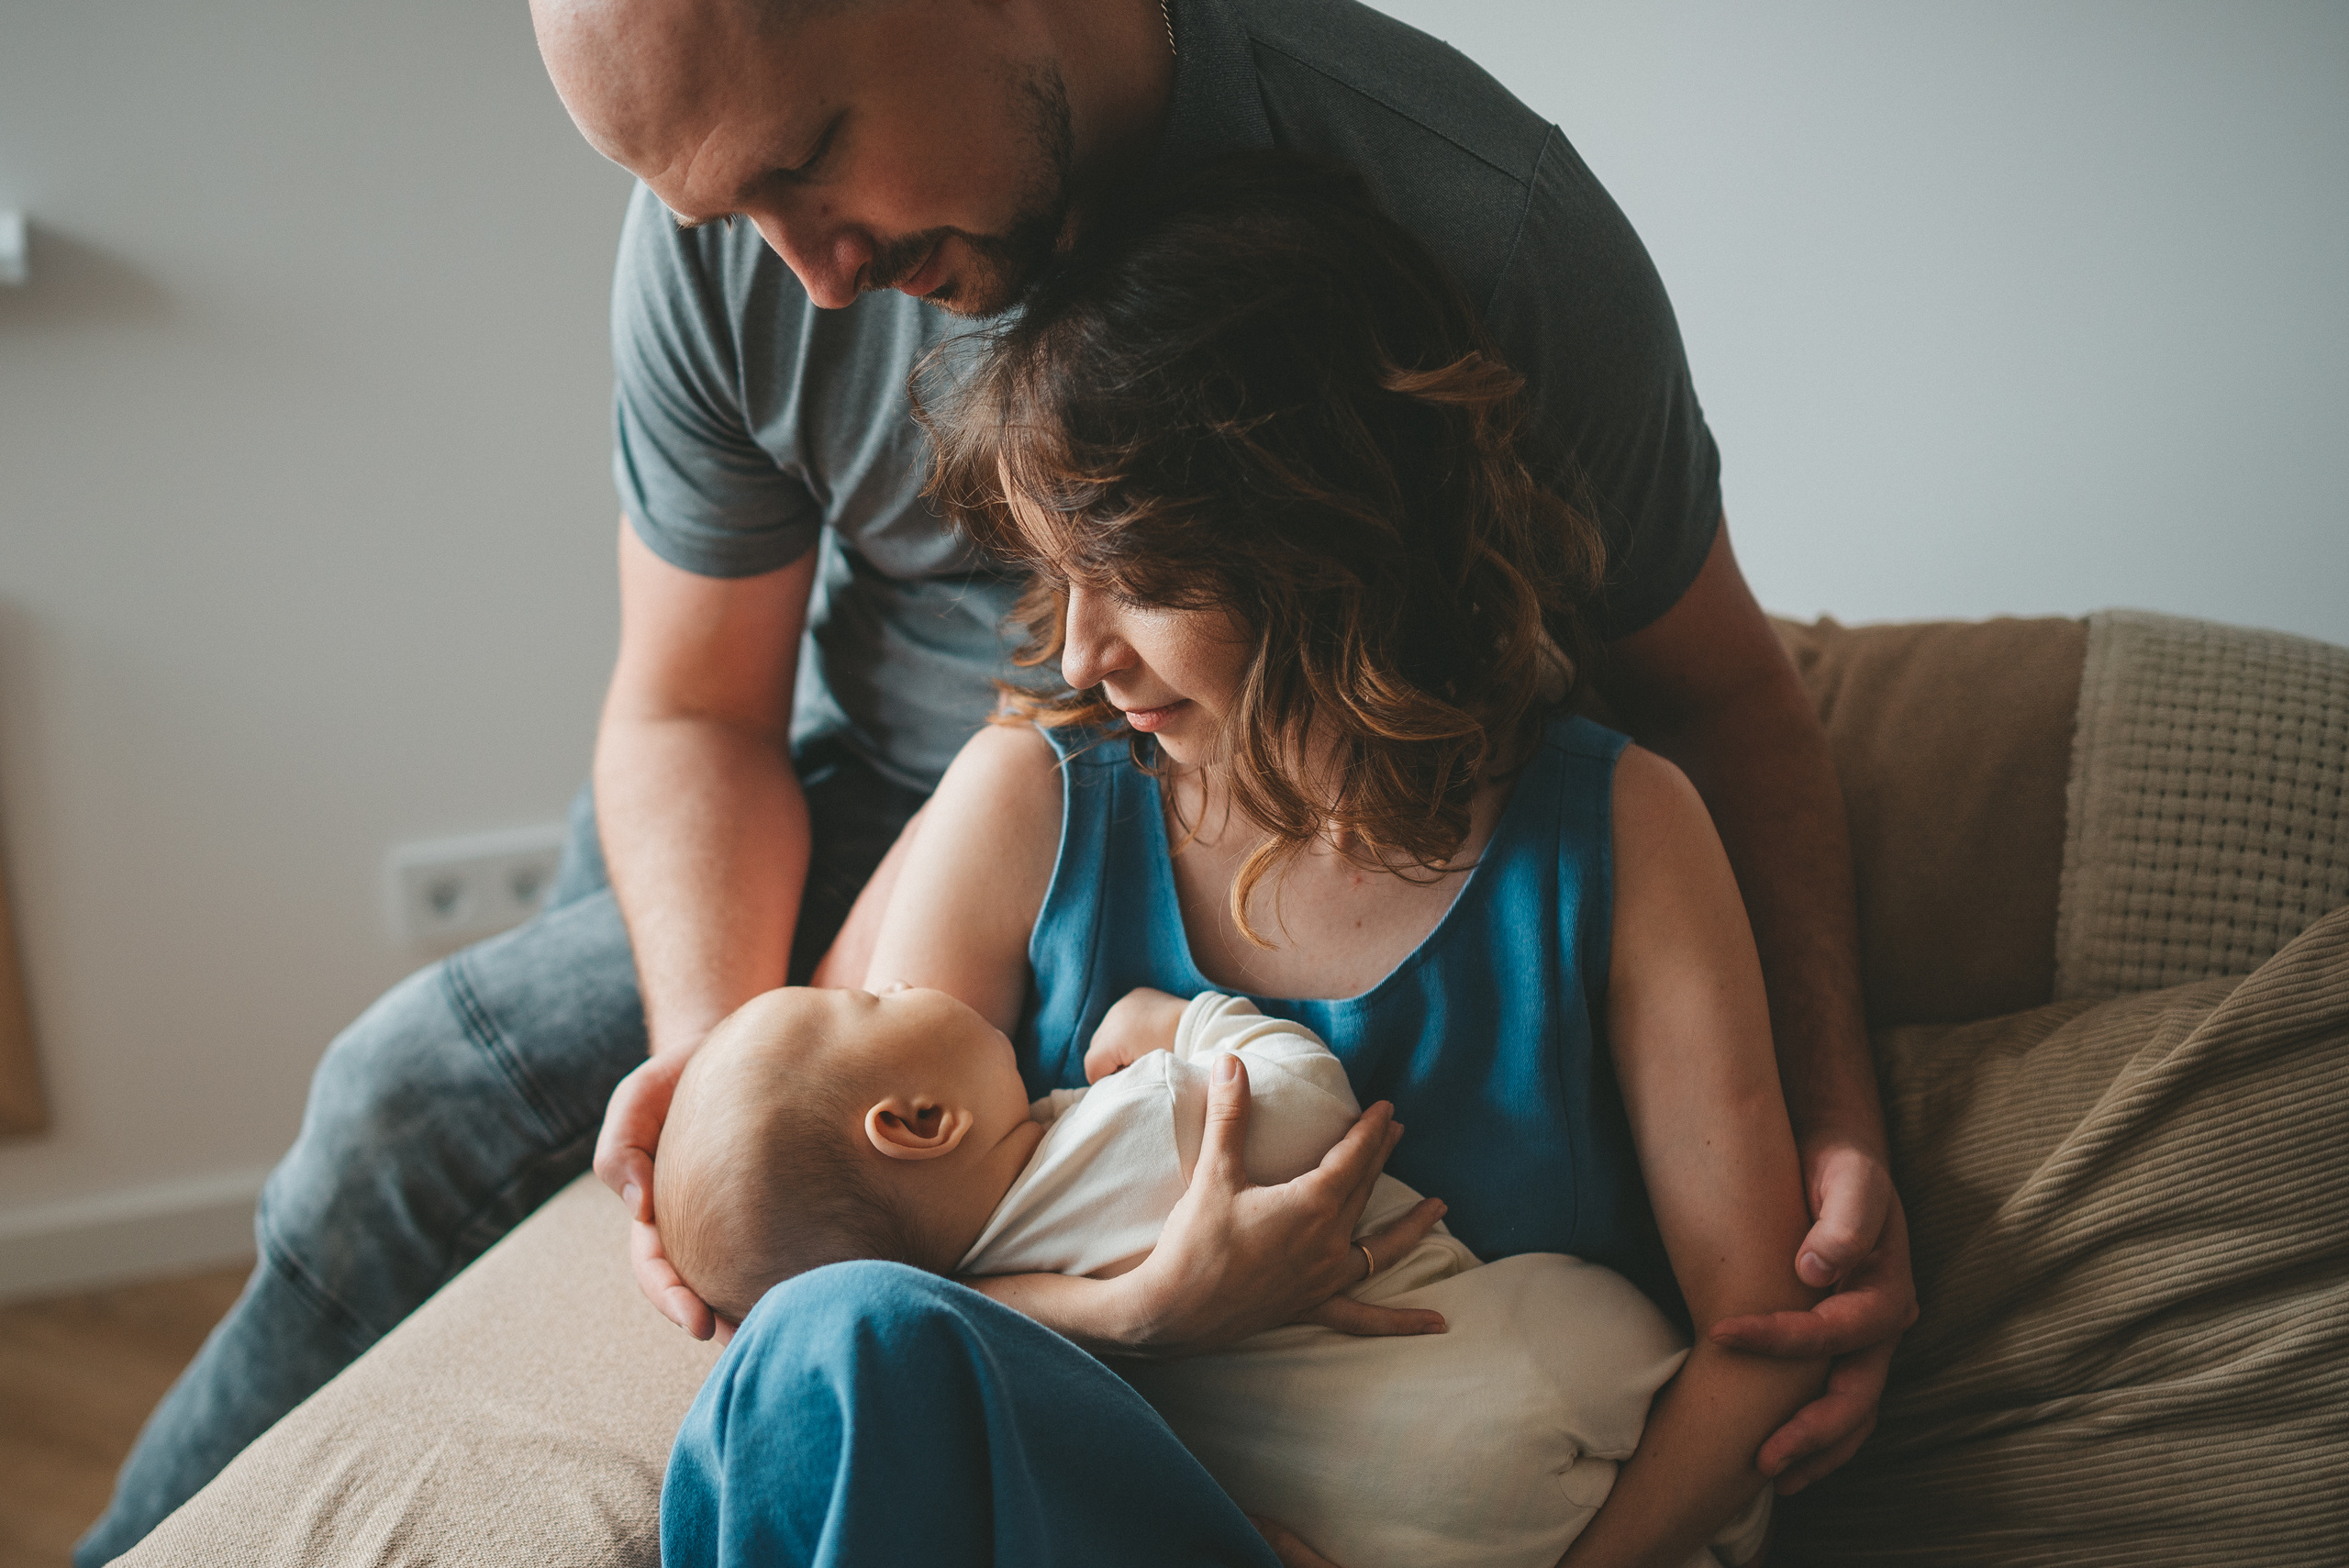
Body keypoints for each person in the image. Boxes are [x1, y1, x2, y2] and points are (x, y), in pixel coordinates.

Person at [76, 1, 1911, 1560]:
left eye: (808, 160)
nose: (804, 268)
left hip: (1324, 771)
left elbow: (1722, 695)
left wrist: (1837, 1139)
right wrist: (741, 1066)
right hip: (904, 791)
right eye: (723, 207)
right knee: (407, 1095)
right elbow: (690, 711)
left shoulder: (1473, 224)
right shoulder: (742, 242)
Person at [668, 150, 1826, 1568]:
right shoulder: (1029, 802)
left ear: (1315, 537)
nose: (1079, 655)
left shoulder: (1622, 833)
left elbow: (1763, 1341)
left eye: (1130, 579)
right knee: (820, 1352)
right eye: (1057, 577)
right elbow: (880, 1302)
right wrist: (1147, 1310)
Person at [654, 979, 1774, 1568]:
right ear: (917, 1121)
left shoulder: (979, 1299)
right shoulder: (1124, 1131)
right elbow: (1303, 1104)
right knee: (1596, 1321)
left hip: (1360, 1526)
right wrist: (1187, 1021)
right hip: (1494, 1408)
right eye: (870, 1000)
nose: (896, 977)